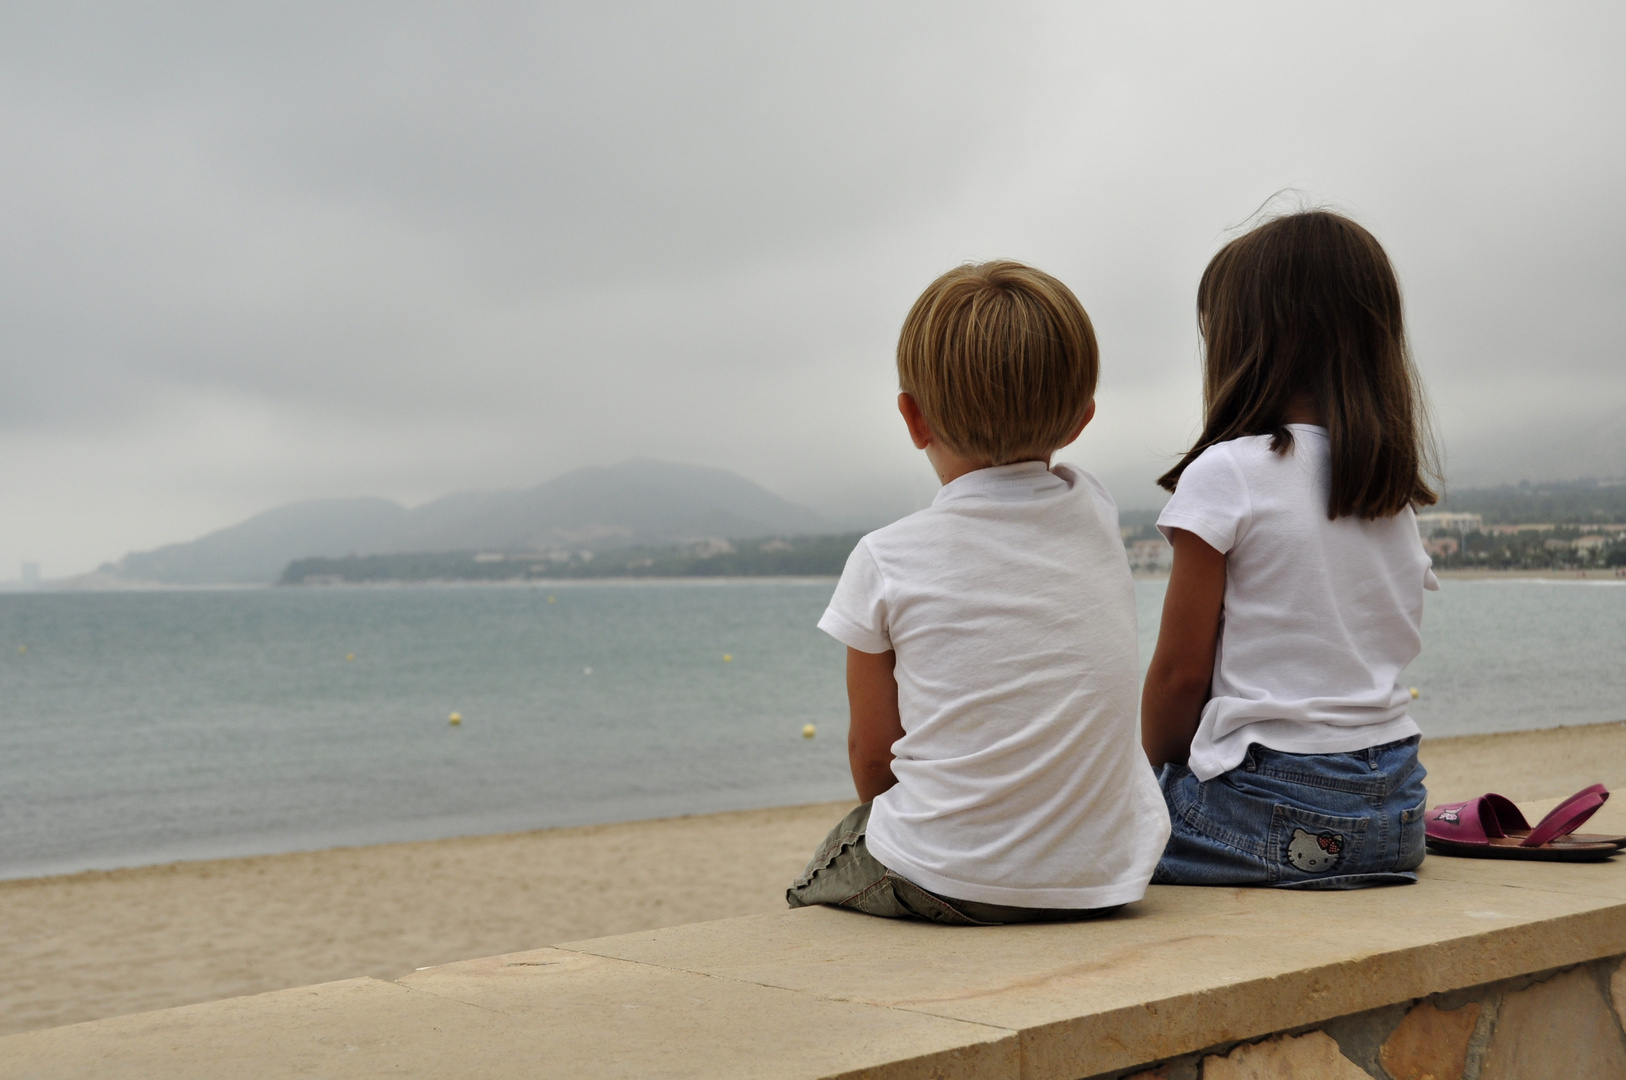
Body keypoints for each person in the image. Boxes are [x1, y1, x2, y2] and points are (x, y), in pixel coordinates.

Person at [786, 260, 1170, 925]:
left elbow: (872, 754)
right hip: (1104, 875)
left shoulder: (885, 557)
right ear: (1082, 421)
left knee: (816, 880)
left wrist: (919, 835)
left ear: (912, 418)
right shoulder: (1098, 511)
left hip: (951, 879)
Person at [1142, 209, 1437, 889]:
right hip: (1396, 812)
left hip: (1275, 808)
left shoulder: (1226, 473)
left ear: (1247, 344)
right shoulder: (1387, 489)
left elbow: (1179, 676)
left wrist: (1153, 780)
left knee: (1090, 834)